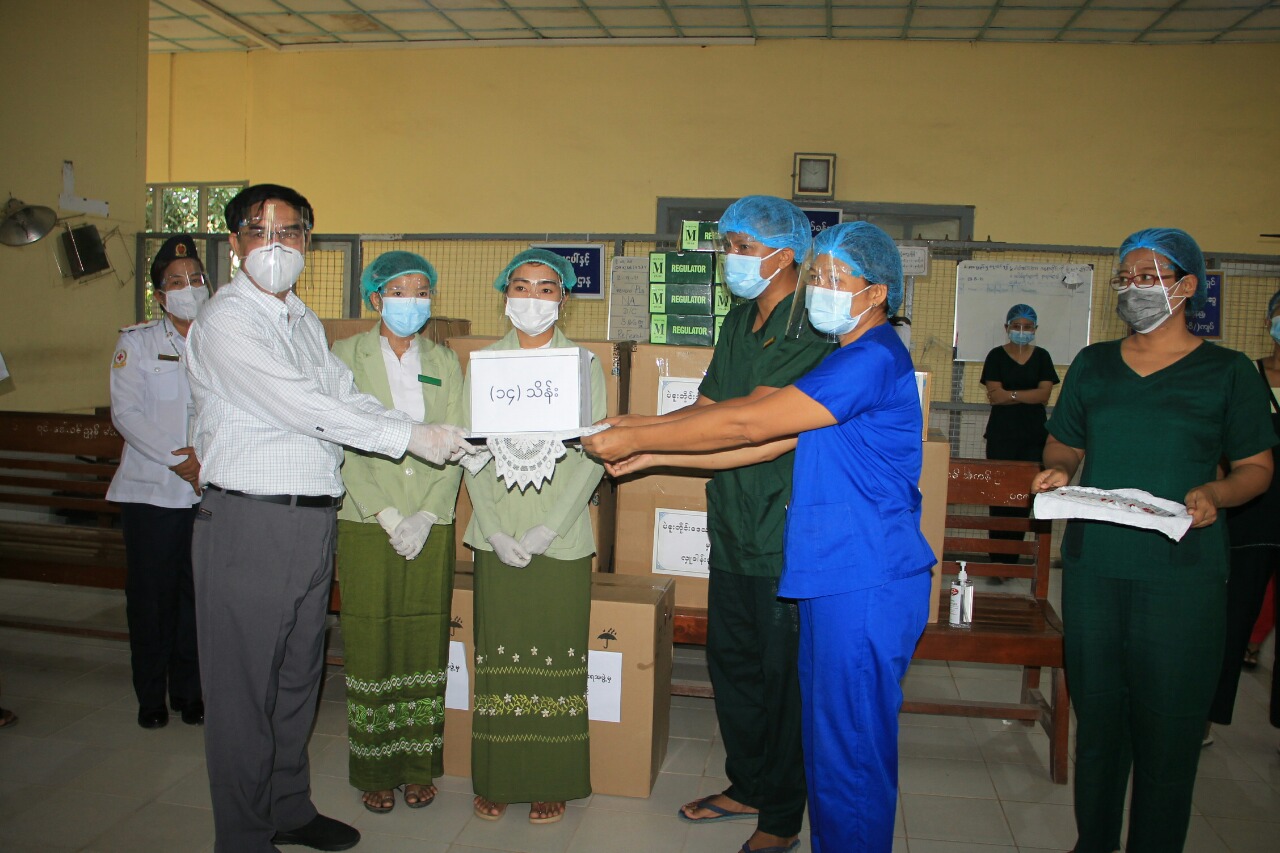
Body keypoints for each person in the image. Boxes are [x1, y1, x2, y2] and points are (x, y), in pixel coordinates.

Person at [584, 222, 936, 853]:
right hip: (831, 574)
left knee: (851, 752)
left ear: (878, 291)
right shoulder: (846, 360)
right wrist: (649, 451)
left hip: (865, 576)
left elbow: (749, 422)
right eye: (817, 275)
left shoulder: (871, 359)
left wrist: (637, 433)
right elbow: (765, 441)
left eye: (835, 278)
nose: (819, 288)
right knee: (828, 743)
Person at [186, 184, 472, 853]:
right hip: (251, 520)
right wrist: (410, 436)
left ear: (307, 242)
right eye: (259, 230)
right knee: (244, 692)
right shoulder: (228, 321)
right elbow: (302, 406)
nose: (275, 245)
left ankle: (288, 807)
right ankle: (243, 836)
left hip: (313, 518)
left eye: (289, 232)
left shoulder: (304, 323)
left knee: (297, 679)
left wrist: (427, 433)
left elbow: (345, 394)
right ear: (234, 243)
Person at [1030, 228, 1275, 853]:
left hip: (1181, 574)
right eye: (1126, 277)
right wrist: (1058, 468)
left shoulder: (1227, 372)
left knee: (1170, 731)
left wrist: (1215, 493)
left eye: (1149, 276)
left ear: (1186, 286)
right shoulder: (1093, 365)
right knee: (1100, 724)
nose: (1133, 288)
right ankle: (1094, 843)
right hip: (1097, 567)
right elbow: (1065, 441)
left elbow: (1256, 468)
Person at [621, 196, 832, 852]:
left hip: (786, 525)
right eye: (728, 246)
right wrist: (633, 428)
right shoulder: (742, 318)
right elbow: (708, 404)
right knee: (733, 661)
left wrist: (642, 441)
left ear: (787, 253)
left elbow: (752, 420)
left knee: (782, 675)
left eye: (744, 247)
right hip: (735, 519)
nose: (731, 259)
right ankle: (748, 784)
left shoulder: (812, 325)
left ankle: (782, 815)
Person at [463, 248, 606, 826]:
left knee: (556, 652)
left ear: (563, 299)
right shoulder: (483, 366)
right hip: (497, 536)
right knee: (498, 655)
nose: (532, 298)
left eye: (546, 288)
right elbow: (471, 452)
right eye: (521, 287)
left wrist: (552, 526)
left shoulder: (584, 365)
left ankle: (552, 779)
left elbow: (594, 452)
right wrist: (495, 529)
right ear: (505, 296)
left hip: (562, 539)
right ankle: (499, 776)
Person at [331, 251, 464, 814]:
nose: (412, 302)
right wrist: (386, 513)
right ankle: (374, 769)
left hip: (431, 521)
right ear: (375, 298)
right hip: (366, 520)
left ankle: (417, 765)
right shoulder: (345, 356)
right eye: (400, 291)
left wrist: (429, 513)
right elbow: (339, 439)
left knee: (423, 637)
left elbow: (457, 439)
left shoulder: (445, 360)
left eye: (422, 292)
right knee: (370, 637)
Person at [106, 235, 208, 730]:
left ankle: (191, 691)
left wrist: (205, 462)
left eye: (196, 278)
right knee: (151, 598)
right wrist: (179, 460)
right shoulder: (138, 342)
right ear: (161, 295)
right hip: (152, 492)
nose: (189, 287)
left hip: (208, 488)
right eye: (176, 281)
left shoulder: (220, 341)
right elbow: (126, 414)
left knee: (196, 597)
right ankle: (151, 695)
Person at [1207, 288, 1280, 744]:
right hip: (1252, 517)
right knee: (1232, 622)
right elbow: (1223, 448)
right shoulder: (1247, 376)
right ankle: (1206, 716)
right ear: (1269, 321)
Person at [980, 303, 1058, 568]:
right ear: (1007, 327)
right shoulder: (996, 356)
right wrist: (1026, 395)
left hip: (1034, 437)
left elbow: (1044, 395)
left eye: (1027, 327)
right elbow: (995, 396)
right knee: (998, 496)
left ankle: (1013, 560)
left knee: (1025, 498)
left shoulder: (1043, 357)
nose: (1022, 331)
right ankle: (997, 559)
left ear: (1035, 329)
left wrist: (1010, 394)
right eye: (1017, 326)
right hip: (1001, 436)